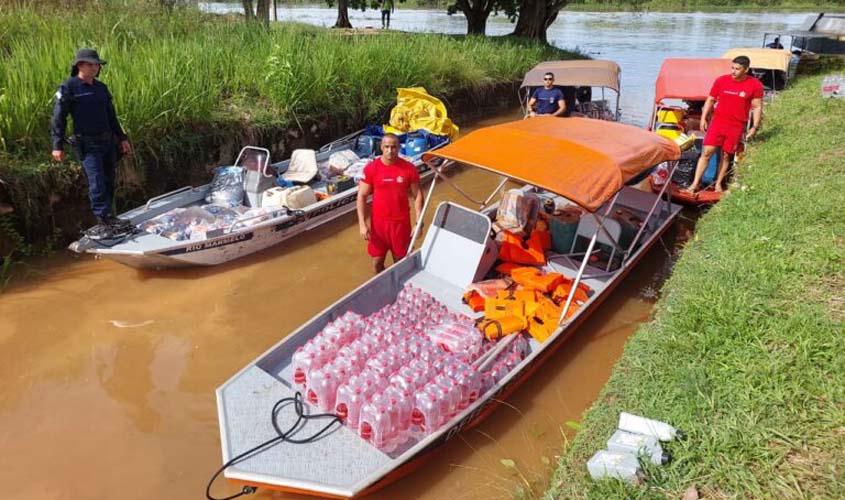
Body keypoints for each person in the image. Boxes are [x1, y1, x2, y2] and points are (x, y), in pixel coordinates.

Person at [51, 48, 132, 239]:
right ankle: (102, 220)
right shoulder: (68, 88)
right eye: (91, 64)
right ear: (80, 65)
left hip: (108, 142)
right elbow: (58, 118)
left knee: (109, 179)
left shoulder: (101, 88)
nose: (95, 67)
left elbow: (112, 117)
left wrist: (122, 138)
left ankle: (109, 217)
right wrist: (57, 145)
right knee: (96, 182)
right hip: (88, 144)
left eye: (97, 64)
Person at [684, 56, 763, 194]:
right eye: (732, 68)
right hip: (718, 123)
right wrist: (703, 118)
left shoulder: (755, 85)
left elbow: (757, 107)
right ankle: (694, 184)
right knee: (707, 152)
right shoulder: (721, 80)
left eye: (737, 69)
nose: (733, 71)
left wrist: (754, 127)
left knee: (726, 155)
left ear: (746, 69)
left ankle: (718, 184)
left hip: (736, 125)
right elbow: (710, 100)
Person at [356, 133, 423, 274]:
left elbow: (417, 195)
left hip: (401, 224)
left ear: (399, 148)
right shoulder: (371, 169)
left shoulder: (409, 168)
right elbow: (361, 196)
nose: (389, 150)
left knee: (400, 263)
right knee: (377, 263)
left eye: (393, 147)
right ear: (381, 147)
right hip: (378, 225)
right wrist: (362, 224)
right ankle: (382, 289)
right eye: (386, 147)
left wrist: (419, 221)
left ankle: (400, 290)